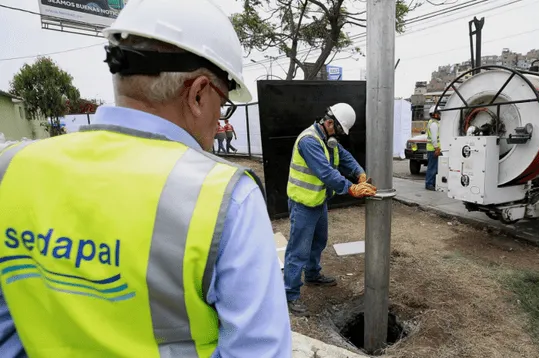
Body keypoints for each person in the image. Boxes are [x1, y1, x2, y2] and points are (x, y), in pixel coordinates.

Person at [0, 1, 291, 357]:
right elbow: (258, 351)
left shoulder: (11, 167)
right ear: (199, 93)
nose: (219, 123)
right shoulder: (225, 198)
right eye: (223, 103)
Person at [284, 103, 377, 316]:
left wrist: (359, 173)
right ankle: (289, 294)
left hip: (318, 201)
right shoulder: (309, 141)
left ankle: (313, 275)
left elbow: (344, 156)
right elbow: (326, 173)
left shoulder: (328, 139)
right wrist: (351, 188)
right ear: (328, 122)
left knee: (319, 241)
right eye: (339, 130)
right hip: (303, 204)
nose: (339, 136)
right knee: (298, 250)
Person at [425, 105, 441, 191]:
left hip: (433, 149)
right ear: (434, 114)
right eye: (438, 113)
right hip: (433, 149)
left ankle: (433, 183)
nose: (439, 115)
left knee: (435, 167)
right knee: (432, 168)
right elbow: (434, 138)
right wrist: (437, 148)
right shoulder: (434, 124)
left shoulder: (433, 123)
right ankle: (429, 184)